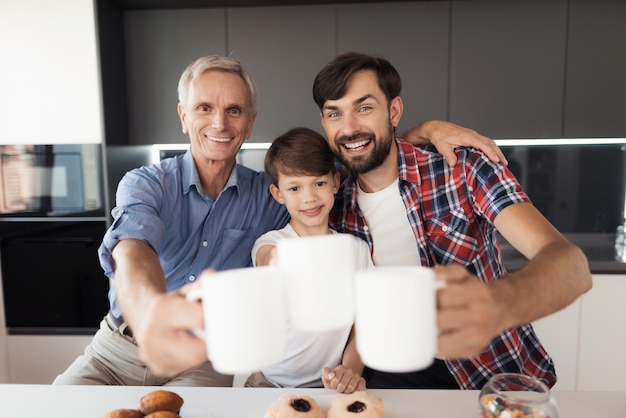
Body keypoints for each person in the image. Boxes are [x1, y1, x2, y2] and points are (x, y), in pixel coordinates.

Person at [52, 54, 507, 386]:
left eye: (234, 111)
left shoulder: (272, 194)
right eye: (205, 108)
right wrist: (150, 310)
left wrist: (425, 131)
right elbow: (132, 247)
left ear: (250, 123)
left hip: (199, 361)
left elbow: (354, 159)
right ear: (184, 117)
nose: (220, 123)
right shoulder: (145, 182)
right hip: (116, 345)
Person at [311, 51, 593, 390]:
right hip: (392, 370)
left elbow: (572, 267)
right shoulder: (327, 201)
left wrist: (497, 305)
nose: (349, 127)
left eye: (364, 107)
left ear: (394, 110)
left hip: (489, 372)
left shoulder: (462, 168)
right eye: (334, 113)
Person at [245, 127, 371, 393]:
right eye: (294, 187)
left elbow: (364, 323)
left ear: (335, 182)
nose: (309, 197)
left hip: (330, 385)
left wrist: (349, 370)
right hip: (268, 382)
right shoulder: (272, 243)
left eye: (319, 183)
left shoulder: (357, 250)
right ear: (278, 194)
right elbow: (268, 260)